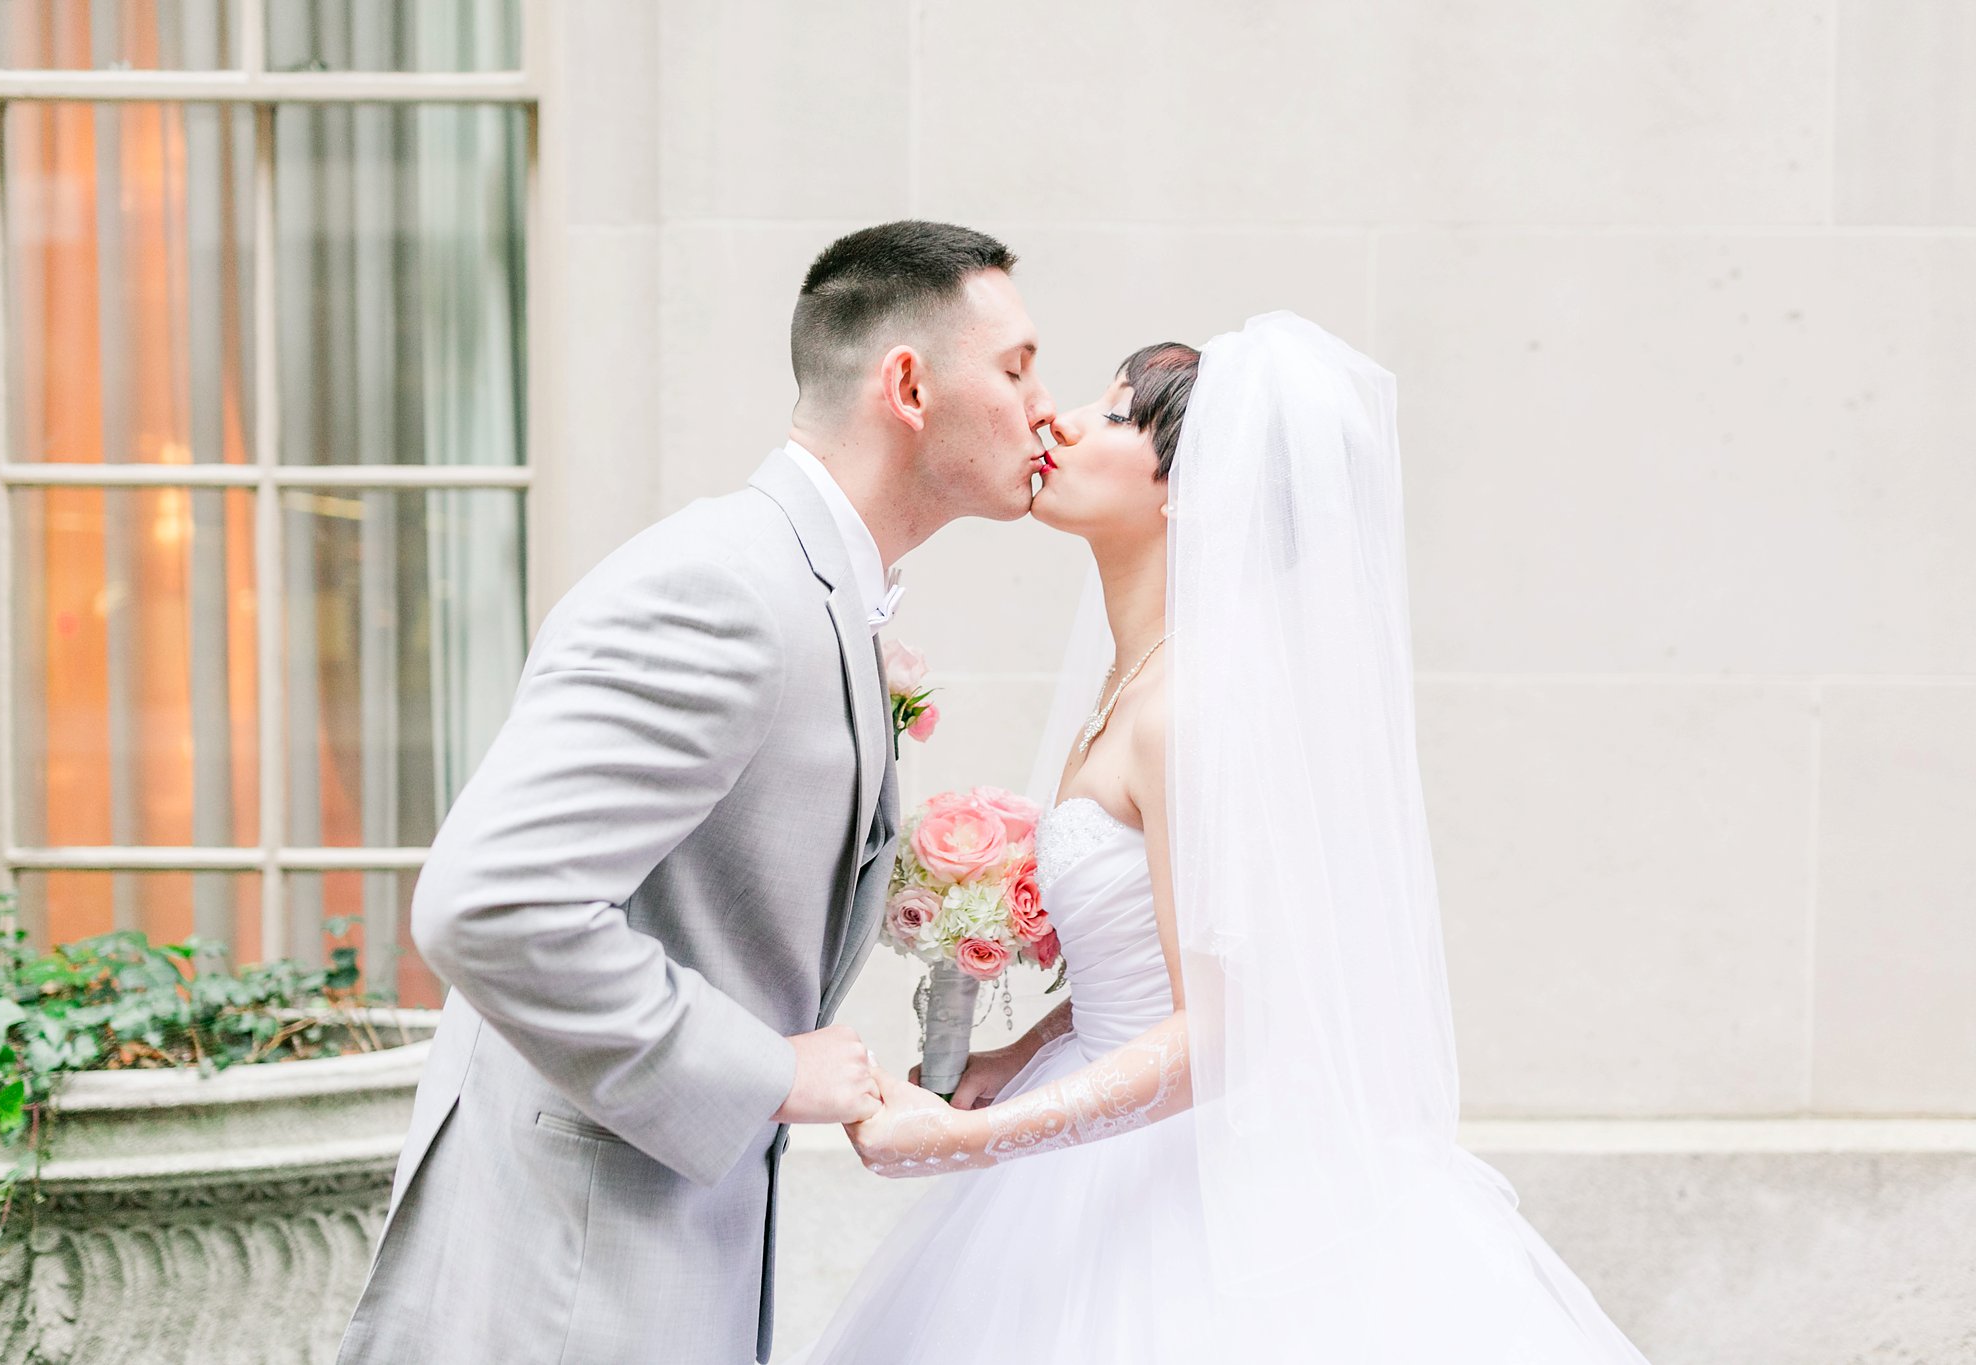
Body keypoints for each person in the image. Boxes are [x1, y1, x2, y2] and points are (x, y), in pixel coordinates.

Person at [796, 314, 1655, 1363]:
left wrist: (968, 1139)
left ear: (1185, 490)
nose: (1055, 422)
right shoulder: (1132, 687)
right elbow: (1158, 975)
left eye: (1111, 415)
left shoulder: (1189, 710)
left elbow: (1225, 1028)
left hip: (1188, 1186)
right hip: (1105, 1140)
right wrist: (1021, 1047)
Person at [336, 220, 1057, 1365]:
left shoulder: (812, 592)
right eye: (1016, 369)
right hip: (571, 1267)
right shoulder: (723, 588)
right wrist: (771, 1071)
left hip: (662, 1230)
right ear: (908, 385)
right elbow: (488, 902)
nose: (1044, 411)